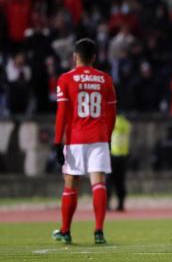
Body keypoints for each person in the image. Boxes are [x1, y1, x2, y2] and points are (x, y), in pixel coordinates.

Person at [52, 38, 117, 244]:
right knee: (98, 183)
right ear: (94, 58)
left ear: (75, 57)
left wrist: (57, 142)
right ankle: (98, 231)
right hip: (98, 137)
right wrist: (107, 136)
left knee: (71, 184)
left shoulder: (65, 79)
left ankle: (65, 231)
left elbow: (61, 114)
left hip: (75, 139)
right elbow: (112, 113)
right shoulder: (105, 79)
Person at [107, 114, 131, 212]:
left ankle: (106, 204)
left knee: (109, 181)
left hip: (112, 154)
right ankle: (121, 204)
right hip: (123, 155)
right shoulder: (126, 124)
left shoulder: (111, 121)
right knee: (120, 182)